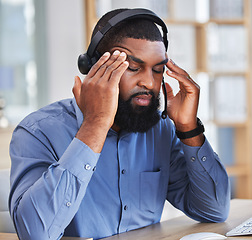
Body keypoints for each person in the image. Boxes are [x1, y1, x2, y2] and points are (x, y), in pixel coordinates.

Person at [9, 8, 230, 240]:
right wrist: (95, 124)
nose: (148, 82)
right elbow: (34, 234)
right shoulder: (37, 131)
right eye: (133, 68)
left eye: (158, 70)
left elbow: (213, 210)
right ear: (94, 68)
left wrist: (189, 129)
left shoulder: (161, 130)